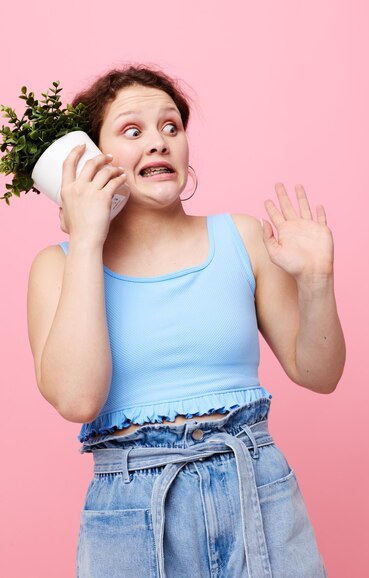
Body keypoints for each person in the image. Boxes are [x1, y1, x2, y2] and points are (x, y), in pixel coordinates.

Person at [27, 64, 345, 578]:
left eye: (171, 127)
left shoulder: (242, 238)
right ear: (91, 158)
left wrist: (317, 281)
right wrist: (87, 237)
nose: (158, 142)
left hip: (256, 489)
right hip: (132, 511)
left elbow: (320, 374)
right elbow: (78, 399)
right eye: (133, 131)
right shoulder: (57, 266)